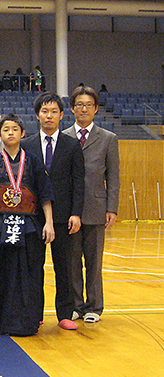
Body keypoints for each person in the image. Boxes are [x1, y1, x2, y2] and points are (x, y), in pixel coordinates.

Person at [0, 113, 55, 336]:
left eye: (15, 129)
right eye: (6, 129)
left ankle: (27, 321)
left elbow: (45, 194)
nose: (10, 133)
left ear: (22, 133)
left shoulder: (34, 161)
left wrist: (49, 223)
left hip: (28, 226)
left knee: (27, 274)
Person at [21, 92, 85, 331]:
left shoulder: (71, 144)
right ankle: (34, 313)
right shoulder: (26, 144)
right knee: (33, 266)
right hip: (34, 216)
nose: (49, 116)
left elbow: (79, 181)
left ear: (61, 115)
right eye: (44, 111)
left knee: (65, 266)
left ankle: (65, 313)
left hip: (63, 215)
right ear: (37, 115)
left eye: (54, 111)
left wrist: (76, 213)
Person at [63, 86, 120, 323]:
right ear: (72, 108)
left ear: (96, 109)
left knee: (94, 262)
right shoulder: (64, 136)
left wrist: (112, 208)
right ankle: (76, 305)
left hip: (97, 209)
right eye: (79, 104)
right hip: (70, 211)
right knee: (72, 261)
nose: (83, 109)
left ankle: (94, 306)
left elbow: (114, 177)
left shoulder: (108, 138)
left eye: (88, 105)